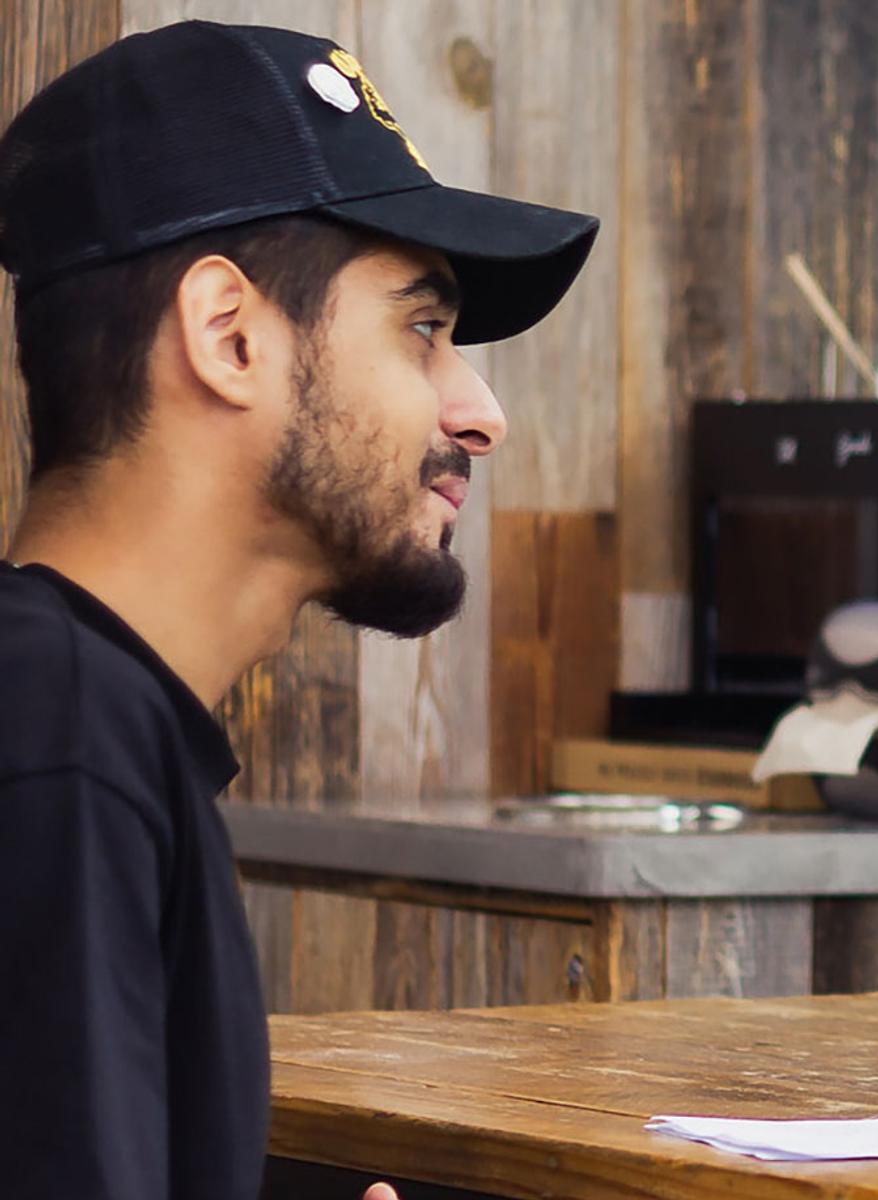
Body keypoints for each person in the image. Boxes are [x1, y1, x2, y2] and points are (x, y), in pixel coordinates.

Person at [0, 21, 596, 1200]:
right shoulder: (60, 745)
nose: (481, 414)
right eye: (423, 330)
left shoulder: (87, 724)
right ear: (229, 337)